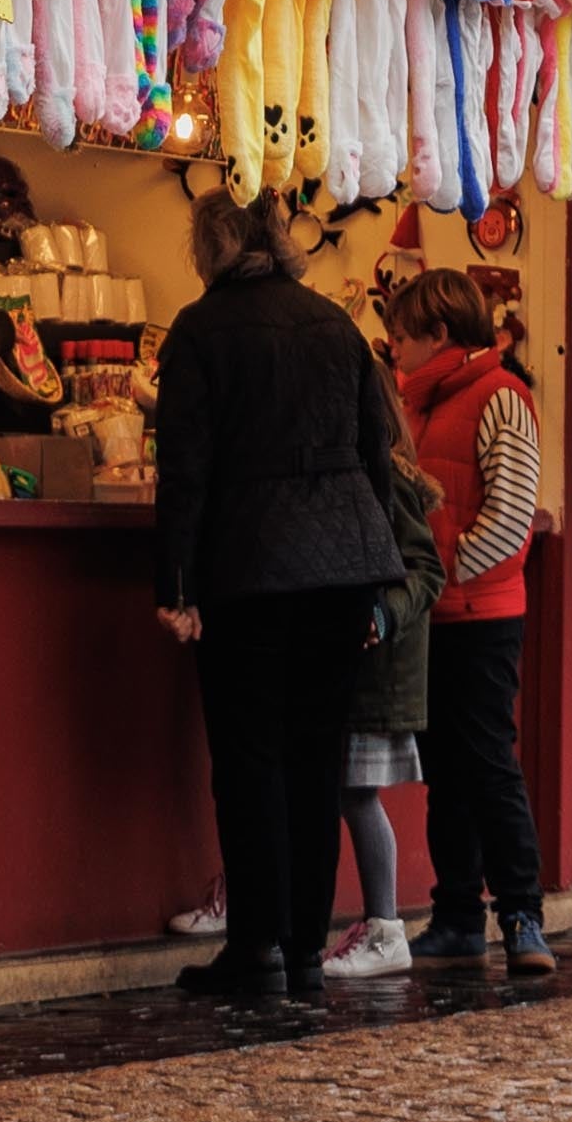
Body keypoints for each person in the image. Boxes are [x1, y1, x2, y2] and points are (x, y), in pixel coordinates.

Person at [152, 194, 428, 1003]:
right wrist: (378, 571)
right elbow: (375, 456)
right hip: (343, 569)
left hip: (250, 568)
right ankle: (307, 946)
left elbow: (185, 471)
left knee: (248, 761)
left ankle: (256, 944)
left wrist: (176, 583)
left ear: (210, 246)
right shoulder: (335, 326)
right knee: (316, 761)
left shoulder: (201, 330)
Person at [386, 268, 553, 975]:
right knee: (445, 770)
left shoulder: (501, 397)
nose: (395, 349)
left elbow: (510, 518)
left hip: (481, 614)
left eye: (403, 336)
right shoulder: (420, 404)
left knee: (487, 763)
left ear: (440, 334)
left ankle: (522, 914)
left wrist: (436, 574)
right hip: (437, 612)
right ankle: (456, 913)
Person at [320, 454, 446, 980]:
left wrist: (383, 615)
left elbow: (426, 570)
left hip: (374, 663)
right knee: (343, 790)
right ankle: (382, 926)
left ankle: (386, 927)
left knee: (355, 791)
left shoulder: (384, 476)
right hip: (358, 659)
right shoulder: (363, 470)